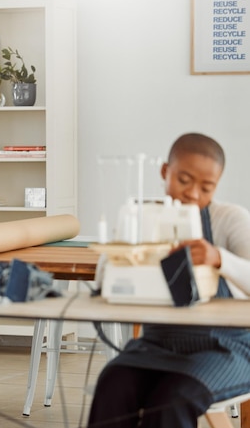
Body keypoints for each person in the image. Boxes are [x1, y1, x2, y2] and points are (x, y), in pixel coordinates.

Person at [87, 132, 250, 428]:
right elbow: (107, 274)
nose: (193, 194)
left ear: (217, 186)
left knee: (173, 399)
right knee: (112, 385)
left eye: (206, 187)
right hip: (157, 344)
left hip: (225, 348)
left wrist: (219, 258)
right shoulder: (144, 217)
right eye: (184, 180)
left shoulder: (230, 219)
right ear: (165, 171)